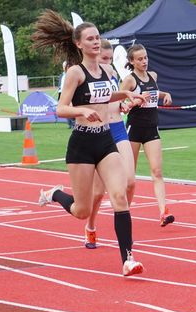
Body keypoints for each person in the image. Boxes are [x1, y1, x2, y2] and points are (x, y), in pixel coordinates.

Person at [32, 10, 148, 276]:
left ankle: (127, 259)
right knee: (82, 210)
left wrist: (127, 93)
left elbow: (106, 96)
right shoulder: (75, 72)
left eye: (98, 38)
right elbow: (61, 108)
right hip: (82, 144)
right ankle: (53, 194)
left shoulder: (107, 70)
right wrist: (81, 111)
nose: (96, 42)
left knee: (120, 196)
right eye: (90, 39)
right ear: (78, 44)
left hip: (106, 140)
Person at [83, 39, 136, 249]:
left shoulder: (113, 75)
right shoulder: (89, 76)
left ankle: (122, 223)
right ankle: (90, 225)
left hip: (118, 130)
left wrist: (123, 105)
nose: (108, 62)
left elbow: (114, 101)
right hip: (101, 133)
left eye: (111, 59)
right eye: (104, 58)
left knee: (130, 182)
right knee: (97, 193)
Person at [120, 44, 175, 227]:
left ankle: (163, 212)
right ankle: (124, 212)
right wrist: (135, 101)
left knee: (157, 171)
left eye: (145, 57)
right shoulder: (129, 80)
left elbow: (153, 93)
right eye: (140, 59)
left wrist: (165, 94)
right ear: (132, 61)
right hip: (134, 129)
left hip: (152, 128)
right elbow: (119, 105)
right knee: (130, 179)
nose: (144, 61)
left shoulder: (153, 76)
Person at [58, 61, 75, 129]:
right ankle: (69, 124)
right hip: (61, 93)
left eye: (66, 66)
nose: (64, 67)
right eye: (64, 66)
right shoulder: (61, 75)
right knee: (64, 110)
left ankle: (74, 123)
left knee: (70, 109)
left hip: (69, 93)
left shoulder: (72, 74)